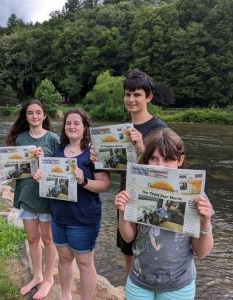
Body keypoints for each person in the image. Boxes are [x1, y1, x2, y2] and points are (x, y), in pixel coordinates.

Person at [115, 128, 214, 300]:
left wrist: (205, 223)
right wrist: (123, 213)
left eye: (168, 159)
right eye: (154, 158)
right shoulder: (137, 188)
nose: (160, 166)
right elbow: (129, 237)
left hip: (178, 285)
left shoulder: (196, 195)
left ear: (180, 160)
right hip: (139, 280)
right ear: (147, 160)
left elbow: (202, 252)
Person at [90, 68, 167, 273]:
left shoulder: (159, 129)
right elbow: (121, 169)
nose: (131, 99)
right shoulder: (121, 130)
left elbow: (168, 171)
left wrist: (142, 148)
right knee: (127, 250)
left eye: (137, 95)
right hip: (125, 196)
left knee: (153, 249)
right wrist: (100, 160)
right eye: (128, 94)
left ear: (148, 97)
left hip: (152, 197)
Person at [34, 109, 110, 300]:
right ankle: (65, 296)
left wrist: (83, 180)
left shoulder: (93, 153)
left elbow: (104, 185)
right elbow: (53, 183)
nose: (72, 126)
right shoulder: (59, 151)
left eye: (77, 123)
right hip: (59, 216)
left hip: (83, 218)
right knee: (65, 259)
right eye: (68, 123)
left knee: (85, 264)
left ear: (85, 127)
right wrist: (42, 179)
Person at [0, 99, 59, 299]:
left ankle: (49, 278)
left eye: (38, 112)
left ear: (44, 115)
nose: (35, 116)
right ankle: (37, 275)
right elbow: (12, 169)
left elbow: (61, 169)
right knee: (32, 239)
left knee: (48, 240)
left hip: (47, 197)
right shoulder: (20, 138)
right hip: (26, 194)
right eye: (30, 113)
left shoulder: (53, 139)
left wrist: (42, 160)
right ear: (26, 116)